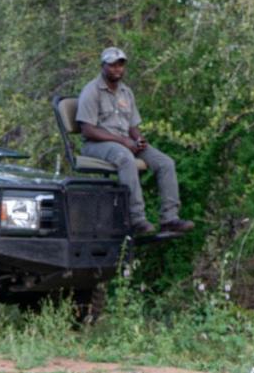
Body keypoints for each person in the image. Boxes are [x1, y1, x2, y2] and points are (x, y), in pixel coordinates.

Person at [76, 47, 192, 235]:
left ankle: (170, 218)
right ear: (103, 66)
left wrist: (138, 139)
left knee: (165, 163)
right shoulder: (91, 91)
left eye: (120, 64)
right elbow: (88, 130)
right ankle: (136, 219)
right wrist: (123, 141)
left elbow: (132, 126)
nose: (117, 69)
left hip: (124, 141)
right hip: (97, 145)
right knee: (126, 159)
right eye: (112, 65)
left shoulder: (126, 92)